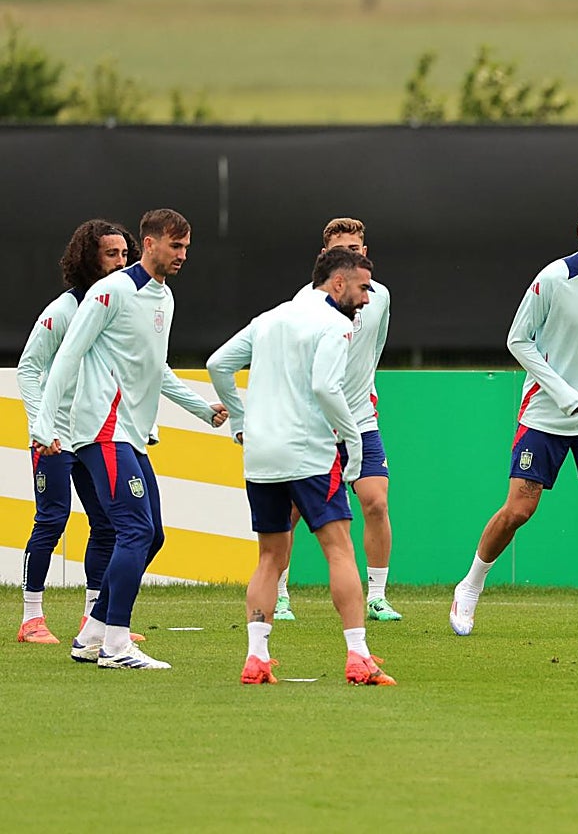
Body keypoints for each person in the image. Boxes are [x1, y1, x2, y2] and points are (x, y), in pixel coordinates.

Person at [30, 209, 228, 670]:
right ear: (150, 242)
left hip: (131, 435)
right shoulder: (111, 291)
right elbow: (66, 358)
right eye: (175, 246)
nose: (182, 255)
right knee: (133, 530)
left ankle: (93, 633)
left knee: (151, 534)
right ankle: (116, 646)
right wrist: (43, 425)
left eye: (186, 247)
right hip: (102, 429)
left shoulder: (164, 297)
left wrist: (201, 407)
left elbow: (154, 367)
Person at [449, 197, 578, 639]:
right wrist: (561, 392)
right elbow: (518, 341)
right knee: (520, 510)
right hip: (544, 413)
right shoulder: (554, 279)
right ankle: (470, 586)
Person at [207, 248, 395, 686]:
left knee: (270, 556)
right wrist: (351, 438)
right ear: (338, 283)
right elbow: (326, 388)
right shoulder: (334, 324)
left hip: (261, 454)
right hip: (309, 451)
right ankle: (358, 656)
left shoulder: (270, 318)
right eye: (363, 288)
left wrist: (240, 418)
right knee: (339, 548)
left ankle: (256, 658)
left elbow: (219, 364)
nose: (367, 299)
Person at [15, 220, 136, 644]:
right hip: (52, 438)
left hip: (91, 434)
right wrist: (40, 424)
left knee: (105, 522)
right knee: (52, 519)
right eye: (111, 254)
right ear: (88, 259)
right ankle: (31, 618)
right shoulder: (61, 312)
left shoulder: (116, 307)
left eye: (125, 254)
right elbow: (28, 369)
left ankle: (93, 619)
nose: (121, 262)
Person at [273, 218, 399, 623]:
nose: (350, 255)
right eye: (340, 249)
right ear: (324, 257)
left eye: (357, 249)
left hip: (360, 417)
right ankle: (278, 593)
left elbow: (374, 349)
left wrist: (363, 392)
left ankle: (377, 597)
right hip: (314, 420)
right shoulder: (305, 300)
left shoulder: (379, 297)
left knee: (376, 502)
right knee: (291, 510)